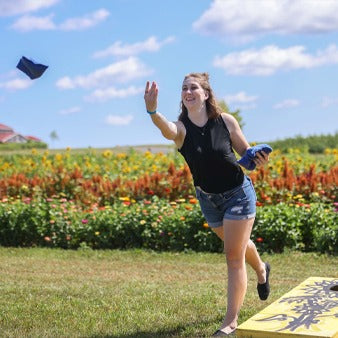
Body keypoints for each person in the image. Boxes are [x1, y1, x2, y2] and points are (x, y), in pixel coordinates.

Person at [144, 72, 271, 336]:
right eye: (184, 89)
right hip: (209, 200)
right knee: (239, 245)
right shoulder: (181, 129)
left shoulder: (225, 121)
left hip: (238, 193)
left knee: (233, 255)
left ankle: (230, 323)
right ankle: (261, 269)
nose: (188, 92)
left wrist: (256, 158)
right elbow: (166, 129)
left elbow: (246, 155)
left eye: (193, 88)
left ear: (205, 93)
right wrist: (152, 111)